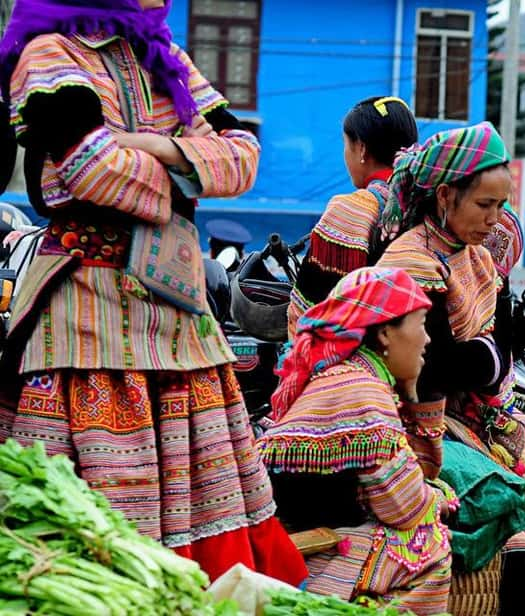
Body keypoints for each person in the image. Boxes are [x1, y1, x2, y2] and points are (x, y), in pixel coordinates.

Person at [0, 0, 305, 585]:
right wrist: (185, 170)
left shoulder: (164, 57)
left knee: (208, 502)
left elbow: (244, 156)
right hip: (87, 312)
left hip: (179, 313)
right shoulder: (47, 54)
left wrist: (147, 147)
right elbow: (90, 168)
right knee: (92, 518)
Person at [376, 122, 525, 615]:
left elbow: (496, 350)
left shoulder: (478, 260)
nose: (495, 219)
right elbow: (435, 366)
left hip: (475, 417)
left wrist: (484, 358)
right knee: (522, 504)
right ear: (445, 195)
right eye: (485, 205)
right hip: (419, 422)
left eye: (502, 206)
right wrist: (486, 358)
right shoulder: (410, 260)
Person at [259, 267, 453, 615]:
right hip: (316, 543)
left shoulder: (352, 378)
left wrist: (409, 395)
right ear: (384, 334)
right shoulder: (363, 391)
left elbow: (413, 473)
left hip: (320, 525)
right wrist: (438, 499)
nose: (427, 340)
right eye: (421, 323)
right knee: (428, 543)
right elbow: (405, 508)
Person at [287, 96, 418, 338]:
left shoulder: (352, 210)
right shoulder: (430, 202)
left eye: (346, 144)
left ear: (362, 149)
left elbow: (310, 308)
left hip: (365, 361)